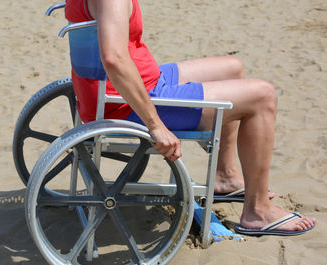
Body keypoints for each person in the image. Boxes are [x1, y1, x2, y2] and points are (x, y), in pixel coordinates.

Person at [64, 0, 315, 235]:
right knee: (264, 96)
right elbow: (114, 59)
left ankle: (225, 177)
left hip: (135, 83)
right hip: (128, 102)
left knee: (232, 68)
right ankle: (258, 211)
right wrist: (156, 125)